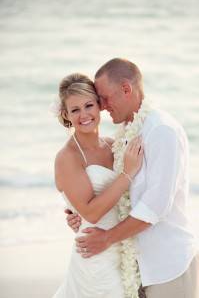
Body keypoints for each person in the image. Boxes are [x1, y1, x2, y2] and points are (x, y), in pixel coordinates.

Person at [66, 58, 199, 298]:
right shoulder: (126, 133)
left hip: (167, 266)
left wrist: (106, 238)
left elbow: (155, 206)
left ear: (126, 89)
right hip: (135, 266)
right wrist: (82, 214)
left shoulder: (161, 130)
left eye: (105, 98)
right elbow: (123, 192)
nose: (102, 107)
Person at [52, 72, 144, 298]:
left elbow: (131, 195)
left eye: (88, 105)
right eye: (75, 110)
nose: (84, 115)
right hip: (94, 255)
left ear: (100, 106)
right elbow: (91, 213)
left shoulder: (114, 145)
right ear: (66, 115)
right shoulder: (68, 157)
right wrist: (127, 173)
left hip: (123, 247)